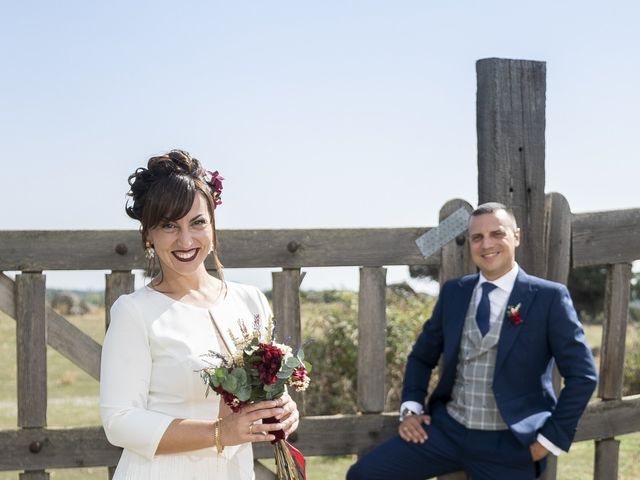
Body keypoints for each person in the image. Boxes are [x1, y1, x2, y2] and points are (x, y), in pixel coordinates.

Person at [347, 202, 597, 480]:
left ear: (516, 236)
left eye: (497, 234)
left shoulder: (549, 297)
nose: (486, 244)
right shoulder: (455, 292)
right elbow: (421, 356)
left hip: (510, 444)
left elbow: (583, 376)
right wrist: (412, 408)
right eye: (477, 237)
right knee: (364, 475)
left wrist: (548, 442)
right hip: (447, 431)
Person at [100, 149, 299, 479]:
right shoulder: (134, 312)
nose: (186, 239)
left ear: (213, 224)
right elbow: (119, 421)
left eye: (197, 222)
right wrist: (221, 432)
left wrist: (284, 408)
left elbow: (266, 388)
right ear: (148, 235)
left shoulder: (251, 302)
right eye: (168, 226)